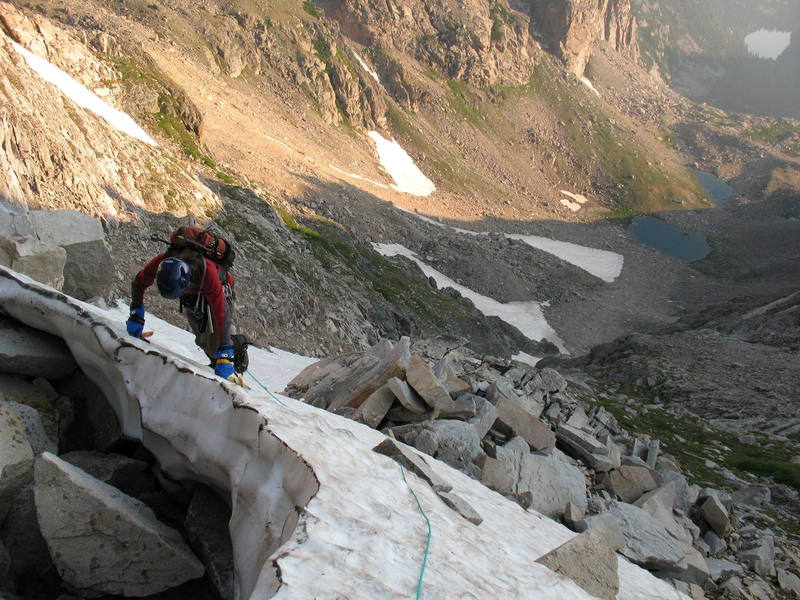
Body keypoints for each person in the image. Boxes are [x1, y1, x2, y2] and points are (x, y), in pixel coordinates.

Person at [126, 246, 247, 385]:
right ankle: (215, 362)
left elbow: (222, 313)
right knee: (202, 340)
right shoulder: (162, 262)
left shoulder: (207, 273)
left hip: (219, 292)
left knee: (217, 344)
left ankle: (237, 357)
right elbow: (139, 283)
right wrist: (136, 314)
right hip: (191, 296)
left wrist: (225, 352)